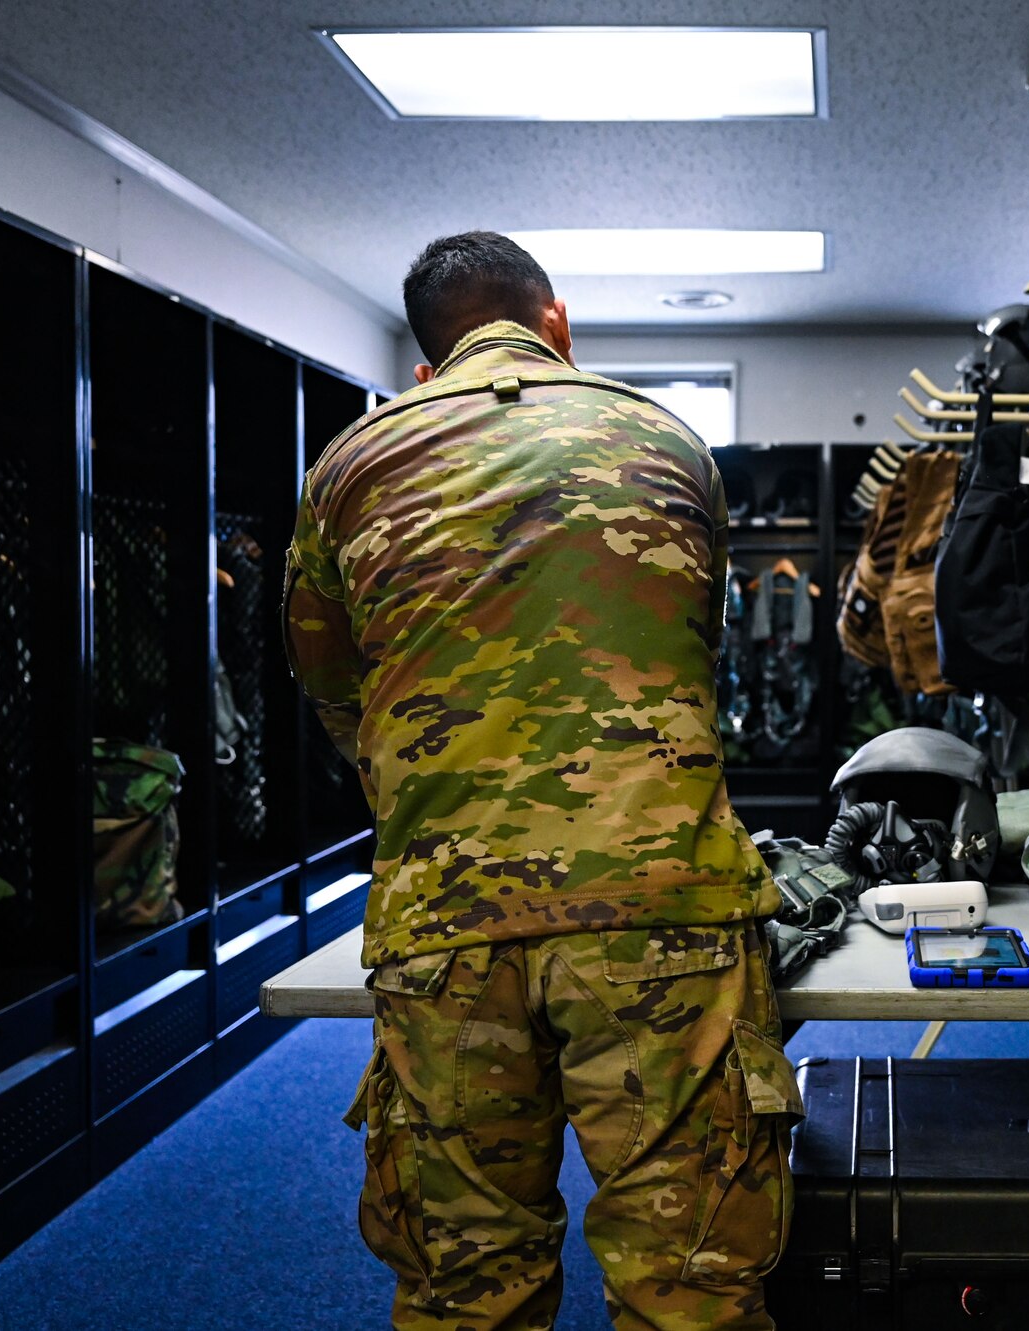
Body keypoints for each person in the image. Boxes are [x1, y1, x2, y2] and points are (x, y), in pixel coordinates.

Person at [283, 231, 799, 1331]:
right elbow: (690, 654)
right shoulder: (668, 439)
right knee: (690, 1280)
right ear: (555, 324)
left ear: (427, 367)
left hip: (445, 919)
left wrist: (439, 798)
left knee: (464, 1283)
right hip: (660, 904)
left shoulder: (348, 466)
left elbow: (334, 686)